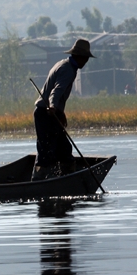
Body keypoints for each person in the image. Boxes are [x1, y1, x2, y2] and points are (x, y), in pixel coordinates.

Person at [31, 38, 95, 181]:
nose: (86, 61)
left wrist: (60, 113)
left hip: (49, 113)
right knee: (46, 150)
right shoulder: (68, 70)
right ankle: (39, 181)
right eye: (85, 58)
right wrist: (54, 107)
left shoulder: (63, 64)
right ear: (79, 57)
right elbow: (56, 91)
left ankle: (65, 178)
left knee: (64, 149)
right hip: (46, 113)